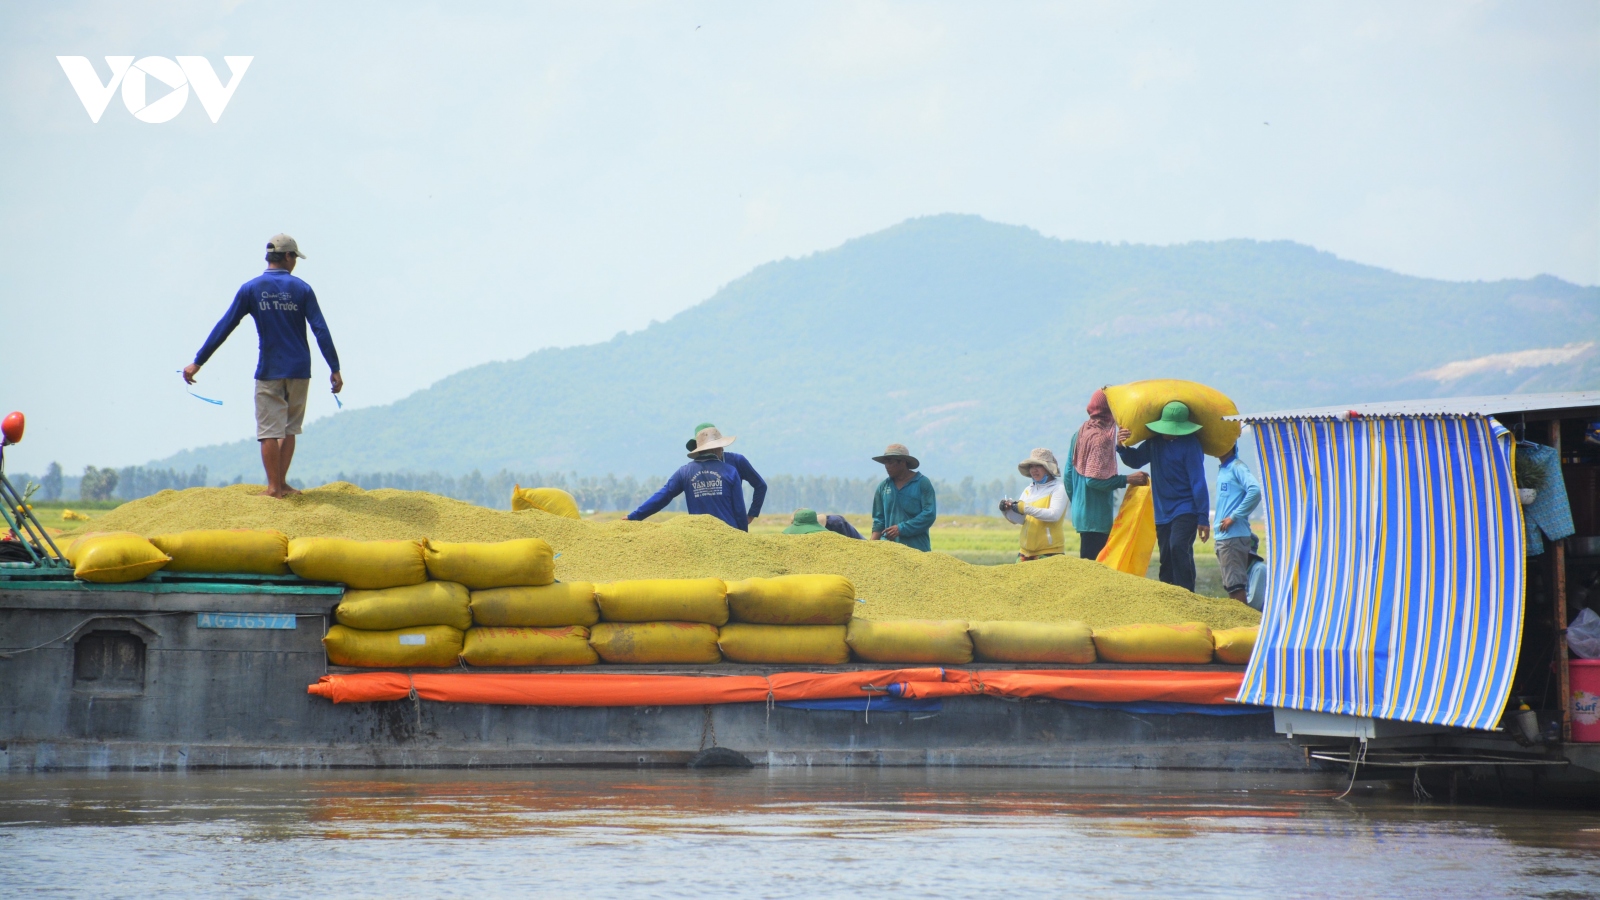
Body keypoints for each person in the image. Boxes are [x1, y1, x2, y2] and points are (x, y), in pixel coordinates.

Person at [183, 234, 341, 499]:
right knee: (289, 428)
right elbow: (320, 330)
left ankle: (274, 489)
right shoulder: (302, 289)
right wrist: (334, 368)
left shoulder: (251, 289)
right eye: (295, 258)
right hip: (300, 369)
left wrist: (197, 362)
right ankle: (282, 485)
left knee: (269, 430)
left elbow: (226, 325)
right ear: (288, 257)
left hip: (269, 368)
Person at [1116, 401, 1210, 591]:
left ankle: (1187, 595)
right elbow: (1135, 461)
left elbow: (1198, 482)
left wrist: (1203, 518)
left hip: (1186, 508)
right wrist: (1121, 447)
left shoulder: (1191, 445)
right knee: (1166, 555)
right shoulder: (1154, 443)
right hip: (1162, 511)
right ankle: (1167, 597)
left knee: (1178, 547)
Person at [1065, 389, 1149, 559]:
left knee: (1087, 561)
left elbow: (1068, 474)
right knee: (1094, 568)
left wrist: (1078, 502)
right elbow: (1093, 481)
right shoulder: (1101, 438)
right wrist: (1128, 479)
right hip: (1097, 515)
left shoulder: (1080, 433)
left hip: (1082, 512)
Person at [628, 426, 754, 530]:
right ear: (717, 448)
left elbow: (662, 496)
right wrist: (742, 538)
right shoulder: (731, 471)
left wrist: (634, 517)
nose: (722, 450)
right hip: (728, 534)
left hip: (699, 535)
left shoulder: (684, 472)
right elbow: (739, 510)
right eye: (721, 446)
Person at [685, 421, 766, 522]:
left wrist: (751, 515)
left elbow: (760, 485)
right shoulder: (693, 469)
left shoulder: (736, 461)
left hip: (731, 523)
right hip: (701, 525)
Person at [1213, 443, 1262, 604]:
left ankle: (1243, 626)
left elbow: (1254, 490)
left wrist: (1234, 517)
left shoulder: (1236, 466)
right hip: (1225, 537)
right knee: (1231, 584)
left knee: (1236, 585)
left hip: (1232, 537)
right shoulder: (1224, 469)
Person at [999, 449, 1068, 561]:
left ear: (1048, 468)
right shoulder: (1029, 490)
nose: (1034, 470)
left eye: (1038, 466)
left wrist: (1025, 508)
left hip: (1049, 553)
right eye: (1031, 466)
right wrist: (1007, 510)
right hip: (1025, 553)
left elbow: (1054, 515)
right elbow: (1021, 520)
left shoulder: (1059, 488)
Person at [869, 443, 936, 551]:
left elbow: (929, 515)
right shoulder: (883, 487)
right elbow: (879, 521)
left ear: (903, 462)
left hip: (917, 549)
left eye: (891, 463)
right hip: (889, 550)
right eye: (885, 463)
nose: (887, 466)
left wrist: (901, 529)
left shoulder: (922, 483)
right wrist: (870, 548)